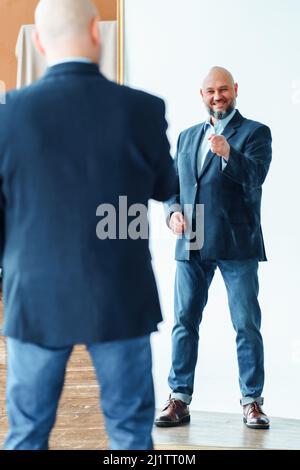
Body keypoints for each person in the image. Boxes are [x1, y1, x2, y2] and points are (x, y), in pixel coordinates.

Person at [0, 0, 177, 450]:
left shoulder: (9, 115)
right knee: (131, 437)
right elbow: (164, 185)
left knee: (26, 435)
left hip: (34, 299)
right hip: (120, 296)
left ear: (39, 42)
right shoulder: (143, 110)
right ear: (97, 32)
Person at [155, 66, 272, 429]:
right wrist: (173, 212)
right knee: (184, 323)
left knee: (246, 324)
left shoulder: (255, 132)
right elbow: (172, 187)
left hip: (237, 241)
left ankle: (252, 402)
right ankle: (179, 399)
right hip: (192, 240)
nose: (217, 96)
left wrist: (228, 154)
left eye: (223, 89)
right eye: (210, 91)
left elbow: (256, 177)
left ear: (235, 89)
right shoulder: (188, 136)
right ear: (201, 95)